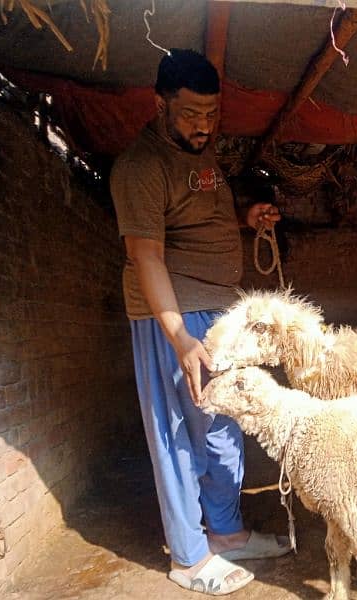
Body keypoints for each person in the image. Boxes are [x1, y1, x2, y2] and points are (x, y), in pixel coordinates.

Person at [109, 48, 287, 595]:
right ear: (158, 104)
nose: (203, 125)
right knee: (178, 435)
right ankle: (188, 558)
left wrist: (245, 217)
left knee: (221, 432)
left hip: (214, 315)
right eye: (190, 114)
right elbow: (148, 257)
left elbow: (194, 218)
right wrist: (180, 336)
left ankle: (227, 535)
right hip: (174, 319)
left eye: (211, 114)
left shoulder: (200, 155)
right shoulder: (140, 168)